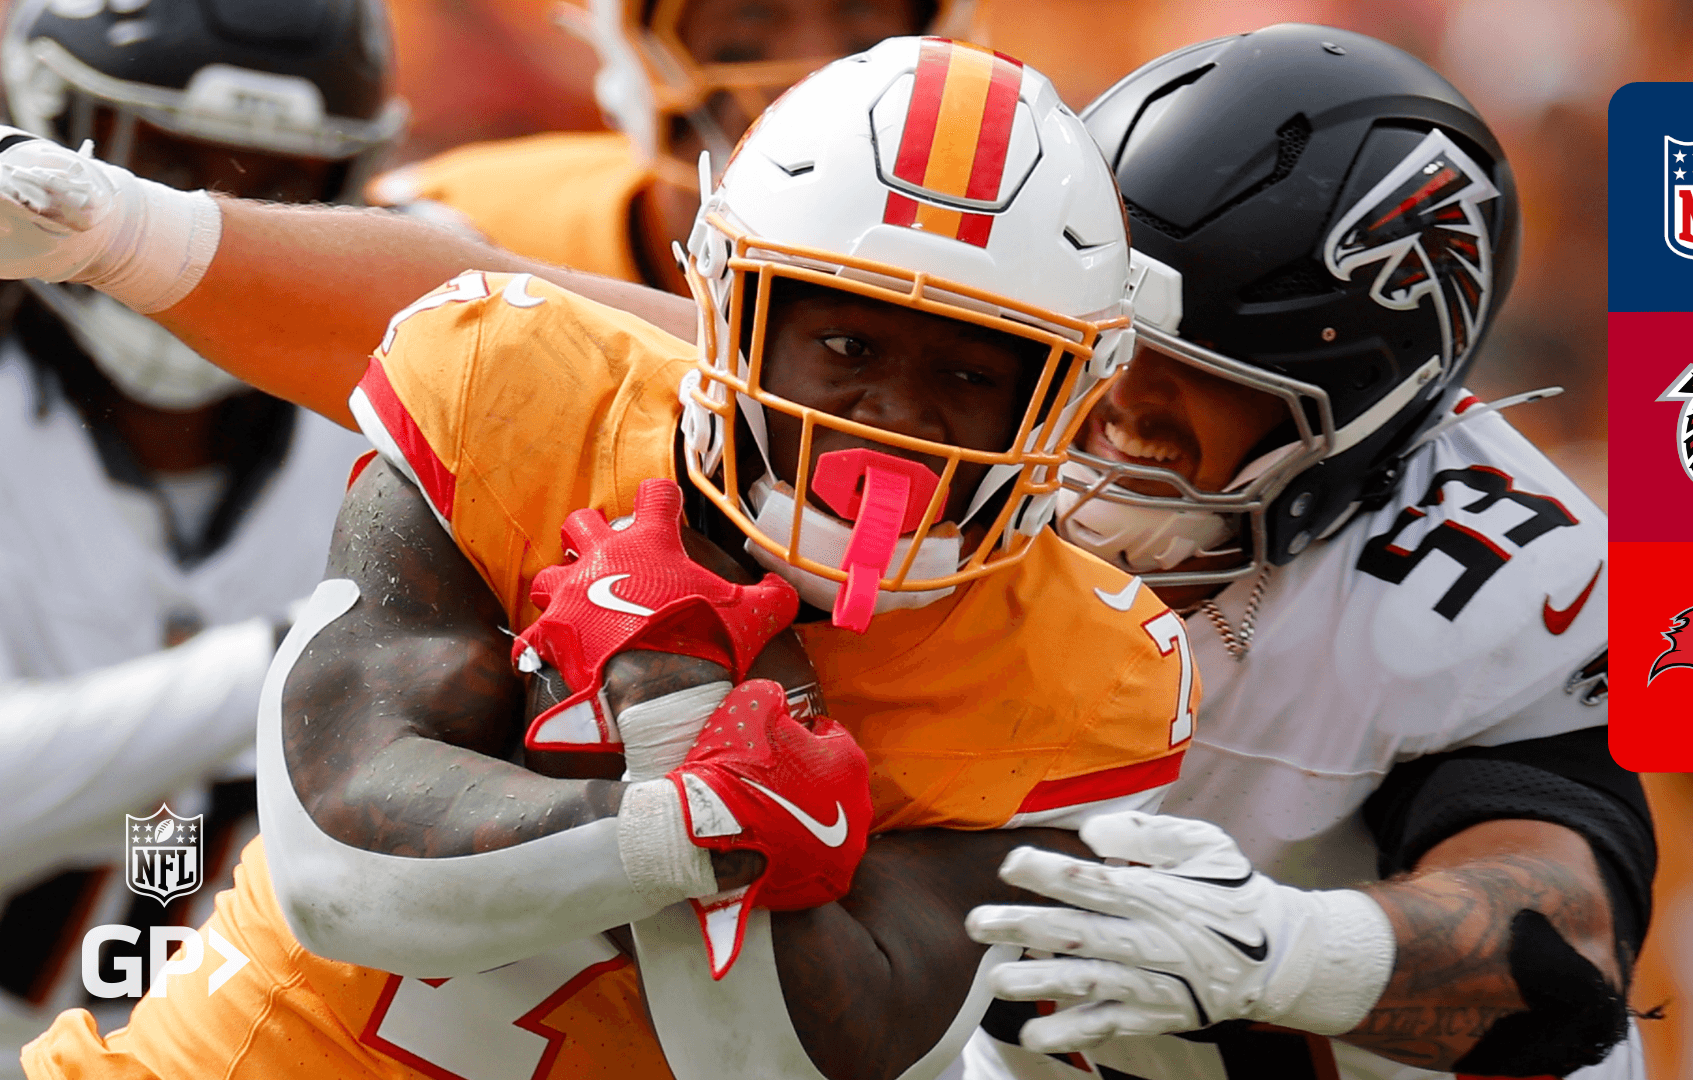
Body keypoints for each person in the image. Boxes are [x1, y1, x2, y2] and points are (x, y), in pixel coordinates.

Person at [13, 37, 1198, 1080]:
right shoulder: (527, 392)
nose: (892, 416)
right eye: (846, 344)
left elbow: (776, 1065)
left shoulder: (1089, 670)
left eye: (971, 372)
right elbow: (341, 879)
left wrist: (678, 720)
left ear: (1065, 398)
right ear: (732, 313)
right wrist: (693, 808)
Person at [962, 26, 1651, 1080]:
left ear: (1366, 403)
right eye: (1101, 331)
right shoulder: (961, 431)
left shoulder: (1472, 577)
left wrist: (1289, 955)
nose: (1121, 398)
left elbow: (1562, 956)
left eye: (1203, 366)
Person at [0, 0, 397, 1069]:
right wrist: (302, 652)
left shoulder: (412, 388)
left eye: (278, 185)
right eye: (165, 161)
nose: (211, 223)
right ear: (46, 122)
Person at [368, 0, 972, 288]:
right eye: (752, 16)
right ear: (639, 49)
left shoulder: (982, 274)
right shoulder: (461, 231)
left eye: (862, 16)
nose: (814, 67)